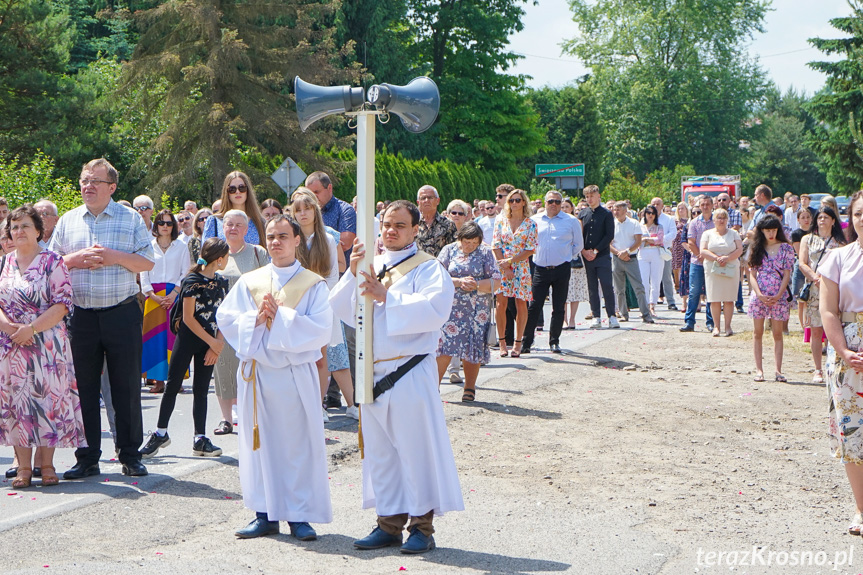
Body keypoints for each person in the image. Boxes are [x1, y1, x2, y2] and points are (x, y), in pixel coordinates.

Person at [329, 200, 463, 554]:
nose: (391, 231)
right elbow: (342, 309)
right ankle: (388, 523)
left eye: (400, 225)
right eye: (387, 224)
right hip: (372, 371)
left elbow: (435, 310)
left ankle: (422, 526)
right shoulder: (373, 264)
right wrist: (352, 271)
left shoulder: (427, 268)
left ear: (415, 229)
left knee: (416, 450)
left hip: (408, 370)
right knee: (381, 453)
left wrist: (386, 296)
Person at [216, 215, 333, 541]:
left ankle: (298, 516)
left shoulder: (312, 284)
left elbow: (321, 329)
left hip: (295, 374)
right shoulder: (250, 281)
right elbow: (225, 317)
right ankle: (264, 513)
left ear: (297, 240)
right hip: (258, 376)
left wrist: (280, 316)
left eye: (283, 235)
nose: (276, 242)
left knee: (296, 446)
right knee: (259, 445)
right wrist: (256, 317)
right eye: (271, 236)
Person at [50, 158, 155, 479]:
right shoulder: (68, 221)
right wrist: (74, 260)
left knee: (125, 386)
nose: (88, 186)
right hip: (80, 316)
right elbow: (51, 265)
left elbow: (147, 262)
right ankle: (87, 457)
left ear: (111, 187)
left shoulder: (130, 219)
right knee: (83, 389)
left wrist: (113, 257)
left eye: (96, 181)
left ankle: (130, 454)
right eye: (84, 180)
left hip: (121, 312)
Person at [0, 205, 85, 488]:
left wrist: (31, 329)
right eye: (14, 227)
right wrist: (11, 329)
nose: (18, 231)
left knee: (47, 402)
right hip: (10, 344)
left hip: (47, 344)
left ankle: (46, 465)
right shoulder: (3, 263)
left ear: (38, 230)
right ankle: (23, 467)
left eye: (25, 225)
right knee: (17, 404)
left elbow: (63, 304)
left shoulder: (53, 262)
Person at [139, 238, 229, 458]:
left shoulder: (222, 282)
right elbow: (188, 318)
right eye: (226, 257)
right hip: (189, 339)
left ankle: (200, 438)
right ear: (219, 259)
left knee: (201, 391)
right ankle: (161, 432)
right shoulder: (191, 280)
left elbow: (223, 316)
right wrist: (212, 342)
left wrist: (217, 345)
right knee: (173, 385)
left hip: (210, 343)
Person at [290, 189, 358, 421]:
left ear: (315, 211)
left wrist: (323, 299)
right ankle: (316, 405)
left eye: (307, 208)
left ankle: (351, 405)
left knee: (334, 355)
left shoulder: (327, 239)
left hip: (325, 303)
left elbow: (334, 273)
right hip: (299, 306)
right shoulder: (291, 239)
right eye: (298, 210)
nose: (303, 214)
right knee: (313, 357)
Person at [820, 191, 863, 536]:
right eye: (859, 213)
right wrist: (844, 351)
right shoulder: (837, 258)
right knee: (853, 433)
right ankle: (862, 510)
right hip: (848, 351)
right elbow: (828, 310)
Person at [210, 210, 269, 435]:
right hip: (223, 323)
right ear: (223, 228)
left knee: (253, 368)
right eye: (229, 224)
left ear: (246, 229)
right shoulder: (215, 252)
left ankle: (252, 414)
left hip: (253, 321)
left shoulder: (257, 252)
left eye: (238, 225)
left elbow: (267, 281)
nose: (233, 228)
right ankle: (226, 419)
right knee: (223, 369)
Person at [305, 170, 357, 410]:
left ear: (329, 188)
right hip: (306, 297)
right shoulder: (295, 235)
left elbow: (345, 242)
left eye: (316, 193)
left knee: (341, 348)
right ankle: (323, 401)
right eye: (309, 194)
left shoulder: (343, 212)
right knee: (319, 354)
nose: (313, 199)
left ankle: (351, 401)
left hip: (337, 287)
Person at [436, 222, 499, 401]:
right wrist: (458, 282)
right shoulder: (449, 250)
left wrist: (477, 284)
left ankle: (469, 388)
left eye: (474, 243)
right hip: (452, 307)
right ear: (460, 239)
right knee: (444, 347)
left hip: (477, 308)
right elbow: (437, 274)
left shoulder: (486, 252)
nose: (470, 246)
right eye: (467, 242)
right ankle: (434, 387)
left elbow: (496, 280)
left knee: (474, 346)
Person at [522, 191, 583, 353]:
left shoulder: (571, 221)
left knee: (559, 306)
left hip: (561, 267)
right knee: (534, 306)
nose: (554, 204)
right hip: (540, 268)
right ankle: (527, 342)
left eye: (557, 202)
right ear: (545, 202)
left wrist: (566, 256)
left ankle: (554, 341)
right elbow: (527, 242)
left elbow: (578, 244)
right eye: (550, 201)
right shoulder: (534, 220)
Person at [141, 209, 189, 394]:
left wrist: (175, 293)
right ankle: (158, 381)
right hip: (153, 297)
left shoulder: (181, 246)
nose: (165, 227)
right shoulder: (147, 246)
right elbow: (143, 272)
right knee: (154, 339)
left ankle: (176, 380)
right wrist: (151, 294)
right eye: (162, 223)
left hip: (174, 296)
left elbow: (185, 273)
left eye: (169, 223)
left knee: (175, 338)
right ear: (156, 225)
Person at [799, 206, 847, 383]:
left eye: (826, 217)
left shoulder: (840, 243)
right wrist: (815, 277)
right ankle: (817, 368)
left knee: (834, 328)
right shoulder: (807, 239)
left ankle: (832, 364)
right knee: (816, 330)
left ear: (833, 221)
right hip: (814, 289)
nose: (822, 220)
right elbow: (802, 263)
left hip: (834, 290)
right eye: (819, 217)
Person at [747, 216, 795, 382]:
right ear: (762, 231)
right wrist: (758, 293)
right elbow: (752, 275)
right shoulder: (756, 247)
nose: (771, 233)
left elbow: (787, 274)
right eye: (768, 230)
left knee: (777, 333)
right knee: (757, 333)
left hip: (778, 295)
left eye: (774, 230)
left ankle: (778, 370)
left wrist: (779, 294)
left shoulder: (786, 248)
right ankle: (759, 370)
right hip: (759, 295)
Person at [493, 188, 536, 357]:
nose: (514, 203)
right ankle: (502, 342)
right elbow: (495, 244)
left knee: (521, 304)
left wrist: (511, 263)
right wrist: (505, 266)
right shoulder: (500, 221)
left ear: (524, 202)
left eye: (518, 200)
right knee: (501, 304)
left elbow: (530, 249)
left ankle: (518, 342)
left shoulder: (530, 224)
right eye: (511, 200)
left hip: (521, 267)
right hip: (502, 266)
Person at [700, 208, 743, 337]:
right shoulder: (707, 233)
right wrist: (716, 258)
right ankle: (716, 327)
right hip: (713, 268)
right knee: (715, 299)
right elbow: (703, 250)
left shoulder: (734, 233)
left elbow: (739, 249)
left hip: (730, 267)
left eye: (724, 218)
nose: (721, 220)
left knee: (729, 299)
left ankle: (728, 326)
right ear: (713, 220)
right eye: (719, 218)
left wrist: (727, 258)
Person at [579, 185, 616, 329]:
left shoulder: (606, 213)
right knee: (592, 287)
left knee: (606, 284)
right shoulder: (582, 214)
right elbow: (579, 235)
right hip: (586, 255)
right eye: (587, 197)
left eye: (592, 196)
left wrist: (595, 250)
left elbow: (609, 235)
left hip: (602, 255)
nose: (589, 199)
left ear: (598, 196)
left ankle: (612, 315)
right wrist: (584, 251)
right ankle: (596, 316)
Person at [609, 202, 653, 324]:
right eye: (614, 209)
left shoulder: (634, 223)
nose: (615, 212)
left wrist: (627, 252)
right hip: (617, 258)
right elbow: (608, 243)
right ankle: (623, 314)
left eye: (618, 210)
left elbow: (638, 241)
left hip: (631, 258)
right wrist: (619, 253)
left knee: (638, 287)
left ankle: (645, 314)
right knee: (619, 288)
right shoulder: (611, 224)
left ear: (625, 210)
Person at [202, 171, 267, 247]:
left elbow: (267, 256)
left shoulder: (260, 222)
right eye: (232, 189)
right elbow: (206, 254)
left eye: (242, 188)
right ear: (227, 192)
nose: (237, 192)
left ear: (247, 191)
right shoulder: (214, 221)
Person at [680, 196, 716, 333]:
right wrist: (700, 256)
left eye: (707, 204)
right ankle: (689, 322)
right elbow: (691, 242)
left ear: (712, 205)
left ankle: (711, 321)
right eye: (702, 204)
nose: (705, 206)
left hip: (712, 262)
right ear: (699, 206)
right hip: (697, 261)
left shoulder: (716, 222)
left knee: (711, 292)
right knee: (694, 291)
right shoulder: (694, 223)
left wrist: (709, 257)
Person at [650, 197, 679, 310]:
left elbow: (673, 233)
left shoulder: (668, 219)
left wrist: (660, 239)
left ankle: (670, 301)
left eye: (658, 204)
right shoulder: (647, 218)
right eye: (654, 204)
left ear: (662, 206)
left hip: (664, 250)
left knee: (666, 277)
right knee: (650, 277)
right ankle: (651, 302)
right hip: (650, 250)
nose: (656, 206)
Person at [638, 205, 665, 318]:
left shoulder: (659, 227)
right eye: (648, 213)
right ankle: (644, 307)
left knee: (655, 280)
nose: (650, 215)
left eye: (652, 213)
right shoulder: (640, 226)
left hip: (656, 253)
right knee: (644, 281)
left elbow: (659, 239)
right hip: (643, 253)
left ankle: (652, 305)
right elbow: (638, 240)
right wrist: (650, 240)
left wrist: (646, 240)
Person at [416, 185, 457, 257]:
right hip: (417, 266)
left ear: (437, 201)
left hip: (439, 266)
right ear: (418, 202)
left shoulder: (448, 224)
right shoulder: (413, 223)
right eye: (423, 198)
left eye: (430, 197)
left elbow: (453, 250)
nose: (426, 200)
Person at [791, 208, 814, 328]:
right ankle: (803, 327)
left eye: (808, 217)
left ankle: (811, 323)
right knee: (801, 299)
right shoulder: (796, 234)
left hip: (814, 266)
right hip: (801, 266)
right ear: (798, 220)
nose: (806, 220)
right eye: (803, 217)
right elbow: (800, 254)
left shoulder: (815, 232)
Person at [672, 202, 691, 309]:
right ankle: (678, 285)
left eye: (682, 208)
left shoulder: (689, 220)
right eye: (679, 208)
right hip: (676, 245)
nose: (680, 210)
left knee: (685, 268)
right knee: (677, 266)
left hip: (686, 245)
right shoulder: (675, 221)